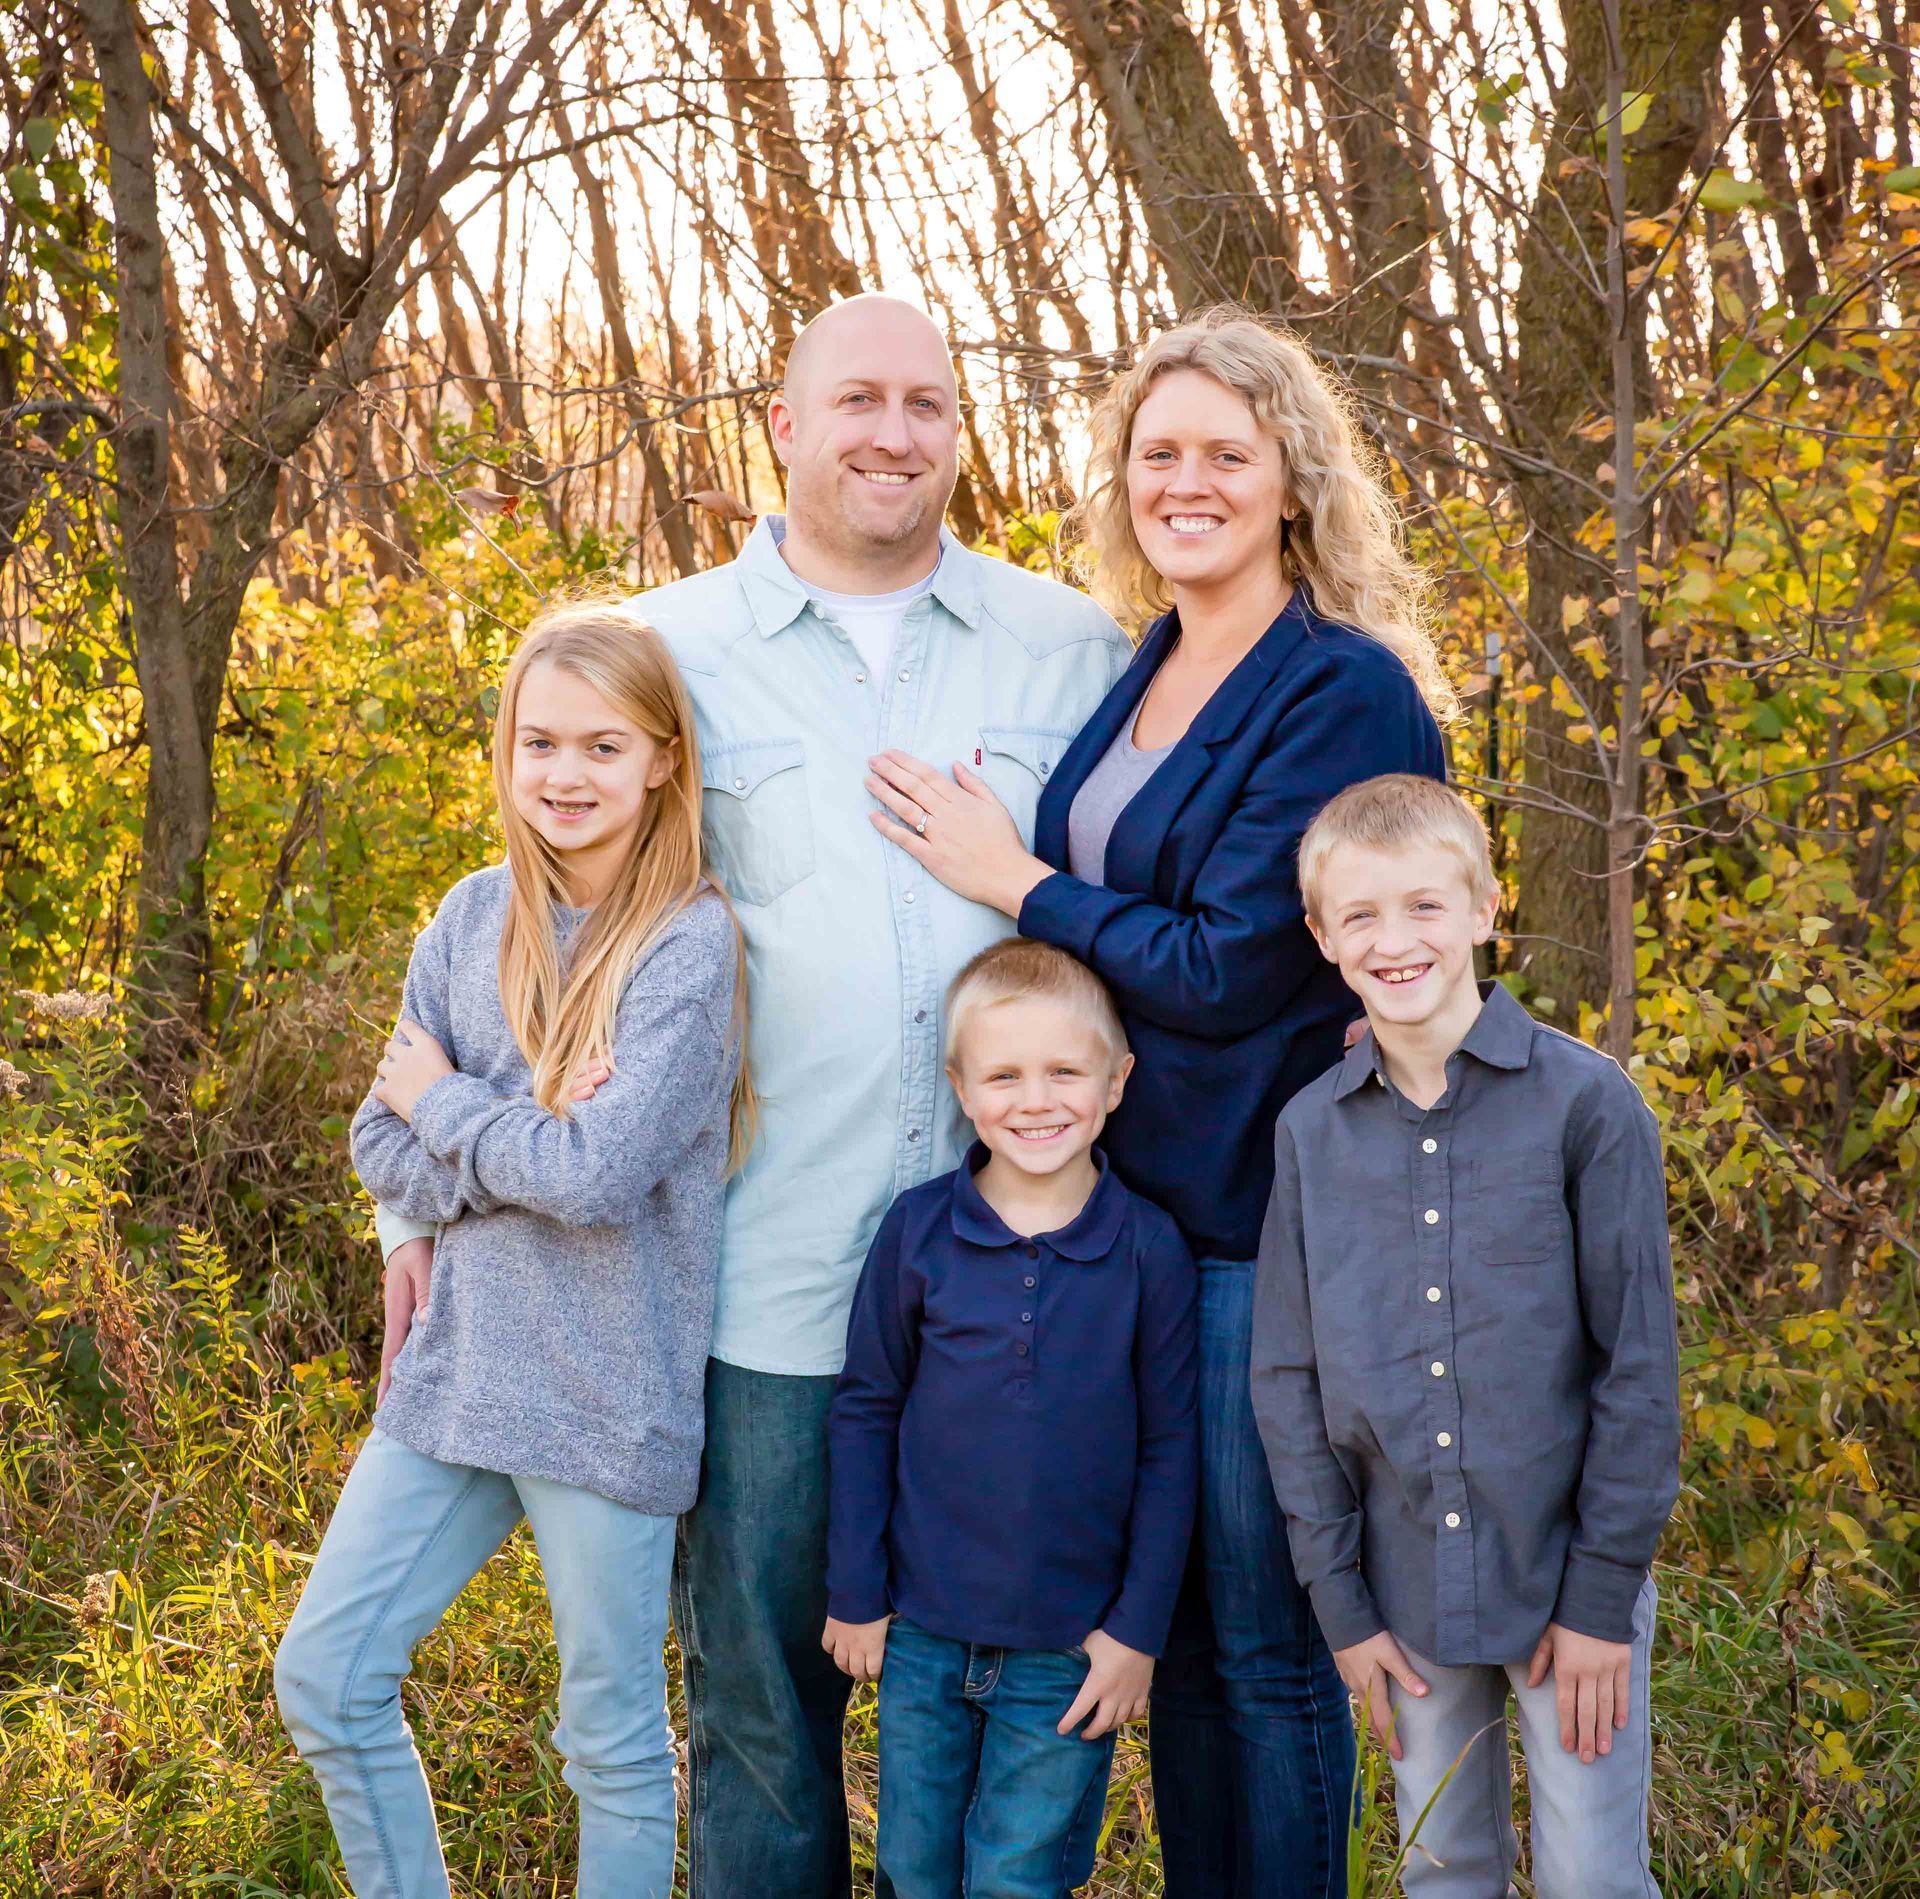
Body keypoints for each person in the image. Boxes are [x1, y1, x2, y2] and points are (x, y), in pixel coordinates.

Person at [370, 295, 1130, 1897]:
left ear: (958, 429)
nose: (892, 433)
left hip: (1024, 1275)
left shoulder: (1068, 647)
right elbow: (526, 913)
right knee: (764, 1710)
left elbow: (1152, 884)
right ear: (779, 426)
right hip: (768, 1275)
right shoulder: (673, 650)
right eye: (855, 399)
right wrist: (406, 1201)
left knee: (1004, 1710)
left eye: (927, 403)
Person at [865, 306, 1452, 1897]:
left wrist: (1017, 877)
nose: (1185, 481)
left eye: (1225, 454)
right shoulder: (1151, 664)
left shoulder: (1340, 691)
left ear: (1292, 481)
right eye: (1158, 452)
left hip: (1269, 1224)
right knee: (1177, 1627)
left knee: (1263, 1639)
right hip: (1135, 1217)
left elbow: (1233, 965)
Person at [274, 602, 748, 1898]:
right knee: (325, 1671)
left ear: (662, 757)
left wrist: (457, 1105)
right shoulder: (470, 914)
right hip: (461, 1371)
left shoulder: (686, 945)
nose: (565, 773)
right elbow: (383, 1140)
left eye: (603, 744)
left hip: (605, 1392)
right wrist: (526, 1119)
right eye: (540, 740)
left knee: (607, 1744)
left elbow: (596, 1180)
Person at [1251, 773, 1681, 1898]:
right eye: (1362, 916)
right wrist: (1340, 1606)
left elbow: (1637, 1370)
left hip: (1565, 1581)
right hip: (1400, 1590)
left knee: (1593, 1875)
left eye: (1427, 906)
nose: (1397, 940)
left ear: (1488, 906)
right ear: (1322, 936)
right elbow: (1288, 1379)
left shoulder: (1588, 1107)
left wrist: (1600, 1602)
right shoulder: (1309, 1134)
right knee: (1442, 1872)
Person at [823, 938, 1197, 1899]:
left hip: (1070, 1647)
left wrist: (1136, 1633)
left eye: (1065, 1070)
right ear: (961, 1086)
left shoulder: (1148, 1247)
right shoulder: (918, 1231)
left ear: (1116, 1082)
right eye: (1004, 1074)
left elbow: (1169, 1450)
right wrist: (857, 1589)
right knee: (911, 1867)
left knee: (1017, 1875)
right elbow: (867, 1408)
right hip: (922, 1634)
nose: (1037, 1099)